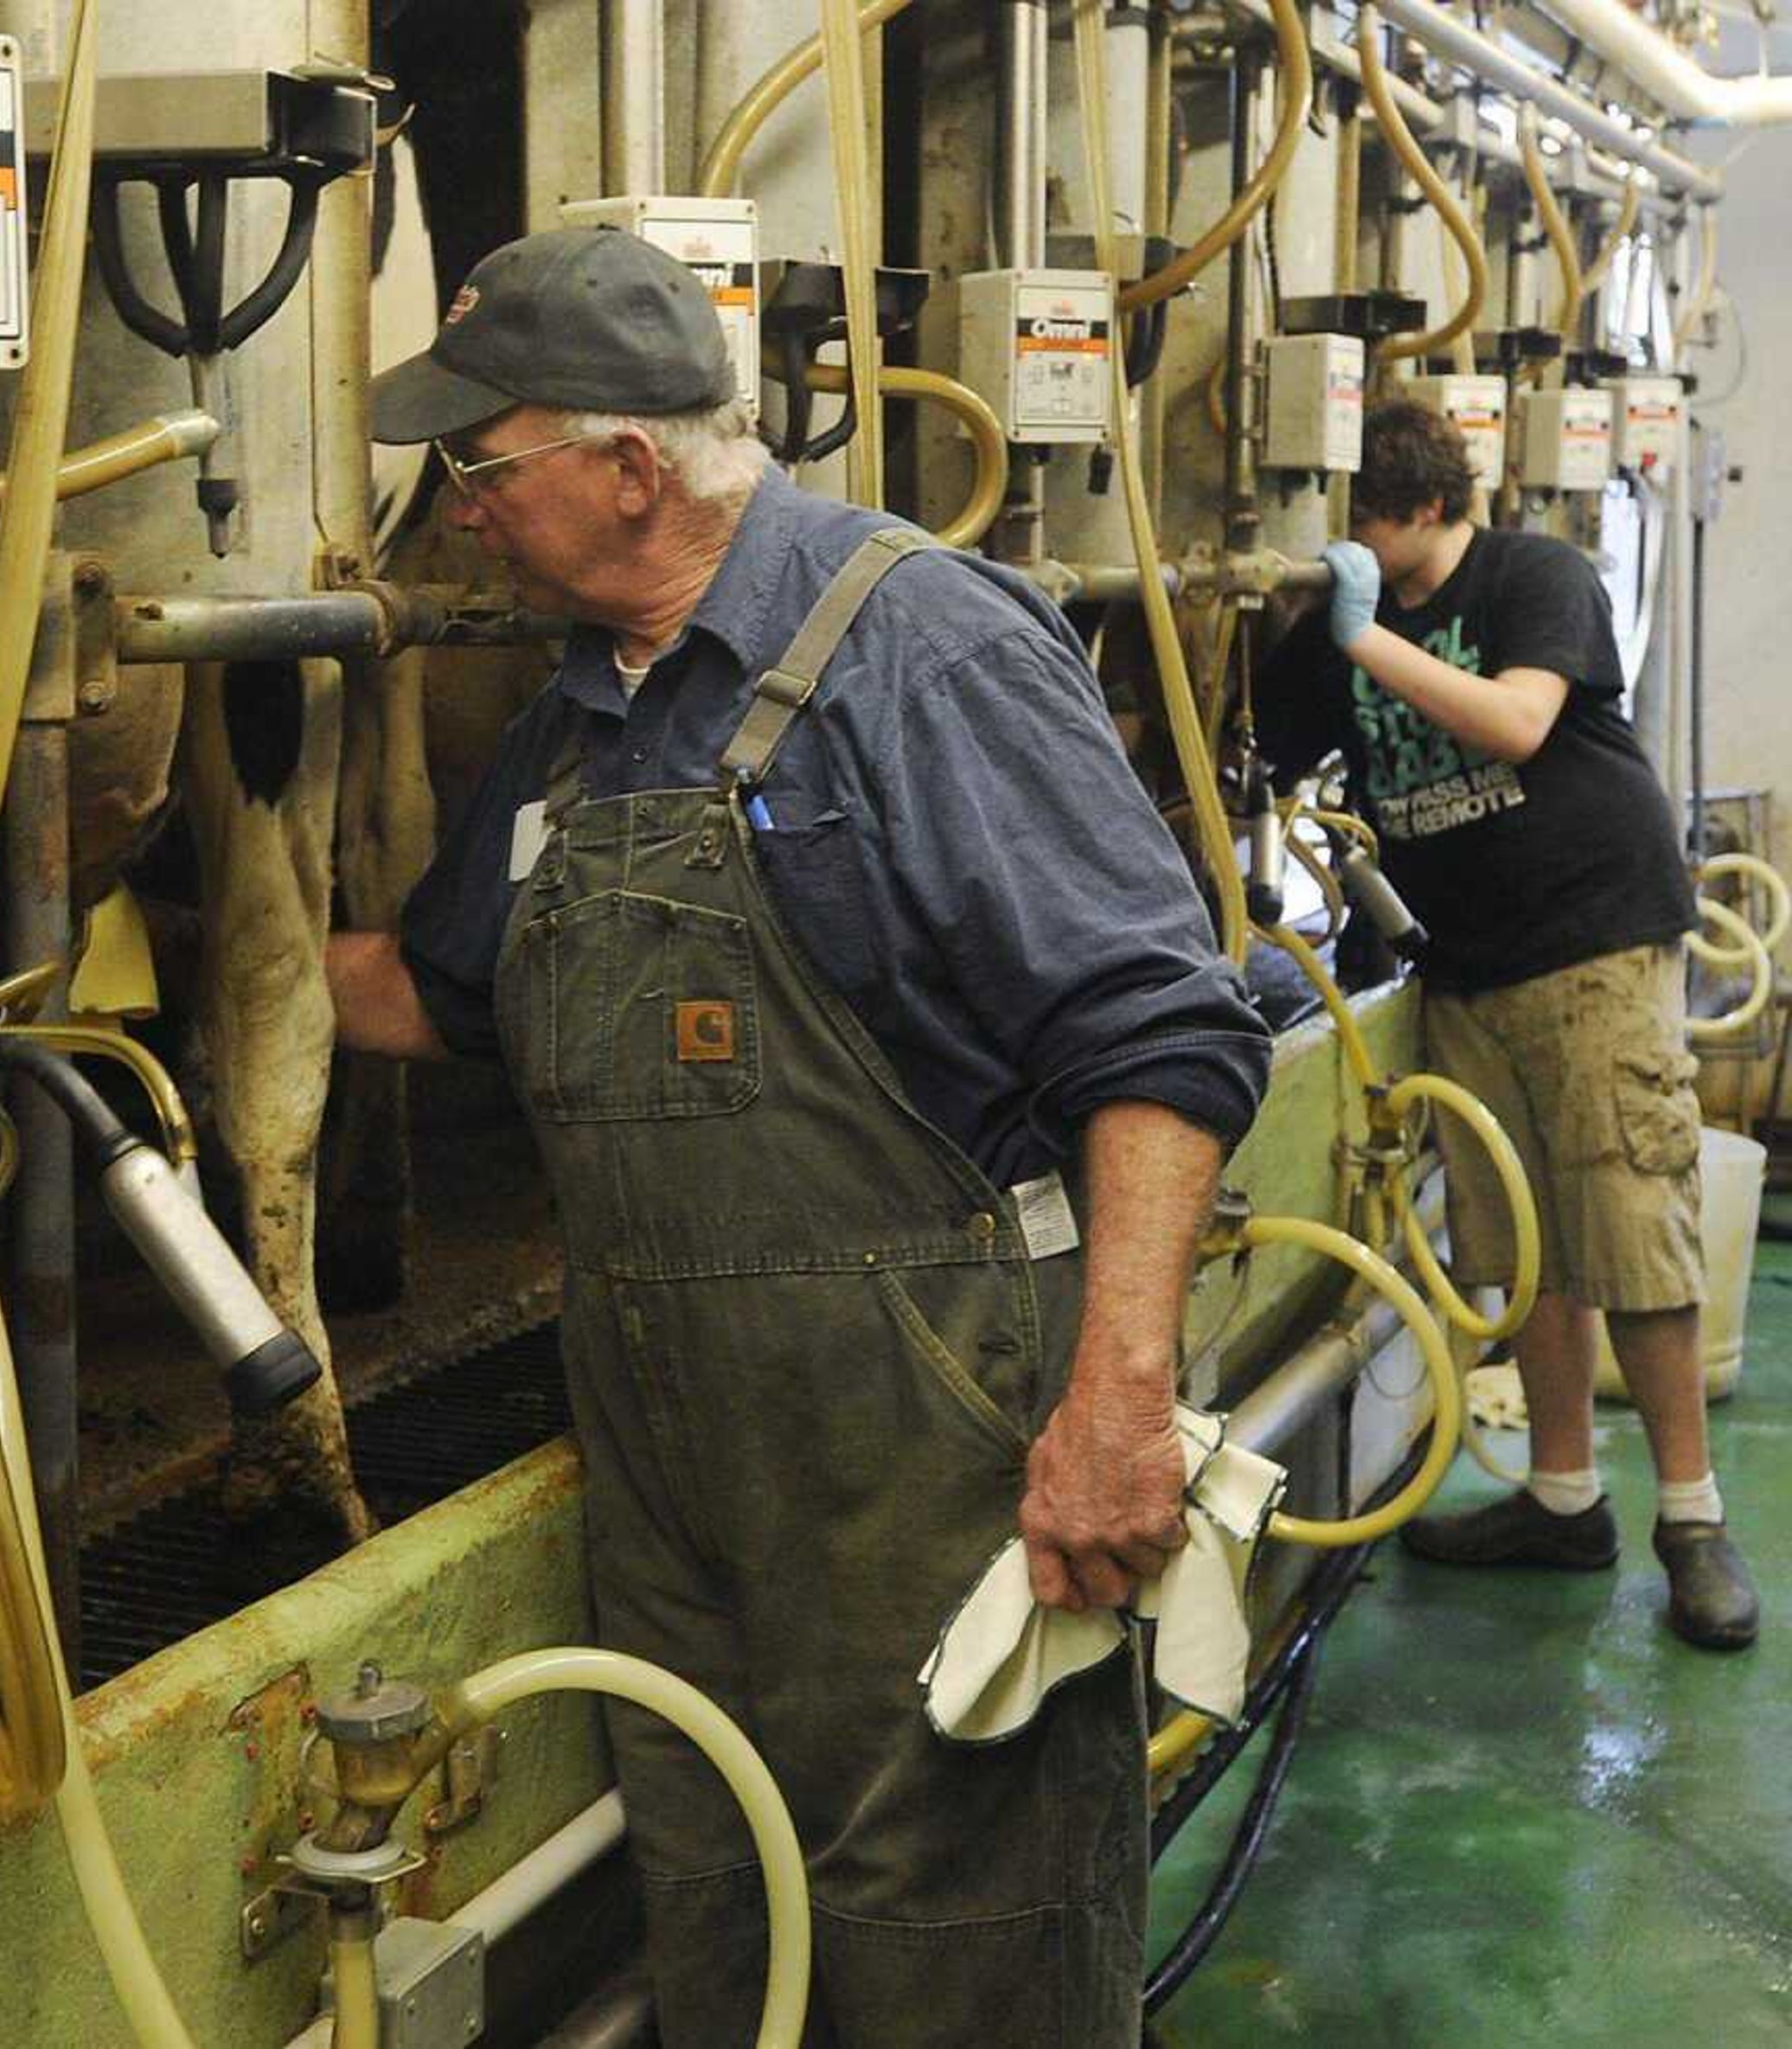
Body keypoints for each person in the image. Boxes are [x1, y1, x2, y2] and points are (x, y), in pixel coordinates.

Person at [331, 227, 1271, 2047]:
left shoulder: (919, 642)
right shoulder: (575, 729)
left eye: (477, 467)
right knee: (732, 1929)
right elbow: (433, 995)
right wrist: (147, 968)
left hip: (928, 1456)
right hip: (684, 1484)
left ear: (624, 471)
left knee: (954, 1941)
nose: (454, 514)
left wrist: (1120, 1406)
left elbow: (1161, 1034)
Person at [1262, 397, 1756, 1650]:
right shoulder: (1342, 620)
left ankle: (1692, 1521)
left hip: (1591, 936)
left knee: (1630, 1214)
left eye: (1368, 516)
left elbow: (1520, 721)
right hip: (1463, 964)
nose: (1349, 540)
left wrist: (1363, 636)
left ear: (1427, 507)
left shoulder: (1535, 575)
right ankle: (1563, 1495)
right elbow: (1261, 753)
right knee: (1524, 1235)